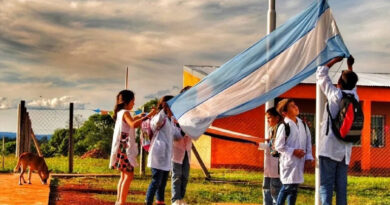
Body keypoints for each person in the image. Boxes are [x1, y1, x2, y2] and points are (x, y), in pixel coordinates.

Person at [317, 56, 358, 205]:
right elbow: (352, 85)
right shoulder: (355, 97)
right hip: (345, 150)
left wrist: (335, 60)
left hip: (329, 148)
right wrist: (350, 66)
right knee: (341, 189)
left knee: (326, 186)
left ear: (339, 83)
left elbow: (321, 72)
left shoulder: (334, 95)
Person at [109, 90, 156, 205]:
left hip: (121, 146)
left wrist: (138, 116)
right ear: (128, 101)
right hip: (125, 147)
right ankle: (122, 202)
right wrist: (148, 116)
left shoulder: (121, 112)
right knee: (129, 175)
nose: (134, 104)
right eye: (133, 101)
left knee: (124, 175)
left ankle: (119, 201)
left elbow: (129, 122)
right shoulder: (125, 112)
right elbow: (133, 124)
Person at [145, 95, 185, 205]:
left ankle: (160, 202)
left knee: (162, 183)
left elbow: (176, 134)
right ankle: (148, 202)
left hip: (166, 156)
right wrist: (164, 110)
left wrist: (184, 130)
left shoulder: (170, 120)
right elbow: (155, 123)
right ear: (166, 106)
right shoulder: (159, 117)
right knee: (155, 181)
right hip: (158, 155)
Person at [274, 99, 313, 205]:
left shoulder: (303, 125)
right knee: (287, 187)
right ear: (284, 113)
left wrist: (309, 157)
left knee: (294, 189)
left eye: (295, 104)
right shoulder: (284, 126)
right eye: (292, 106)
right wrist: (293, 151)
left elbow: (308, 142)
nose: (296, 107)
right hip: (289, 163)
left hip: (299, 162)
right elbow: (278, 146)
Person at [171, 86, 193, 205]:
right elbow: (173, 132)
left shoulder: (192, 112)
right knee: (176, 175)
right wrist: (183, 130)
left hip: (187, 149)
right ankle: (175, 200)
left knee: (185, 176)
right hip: (177, 149)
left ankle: (181, 199)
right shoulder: (175, 112)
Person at [258, 107, 283, 205]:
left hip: (276, 169)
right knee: (266, 189)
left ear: (277, 118)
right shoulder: (270, 130)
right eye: (266, 118)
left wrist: (260, 144)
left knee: (275, 192)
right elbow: (270, 145)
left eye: (269, 118)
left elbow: (275, 147)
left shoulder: (280, 130)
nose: (267, 120)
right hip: (268, 168)